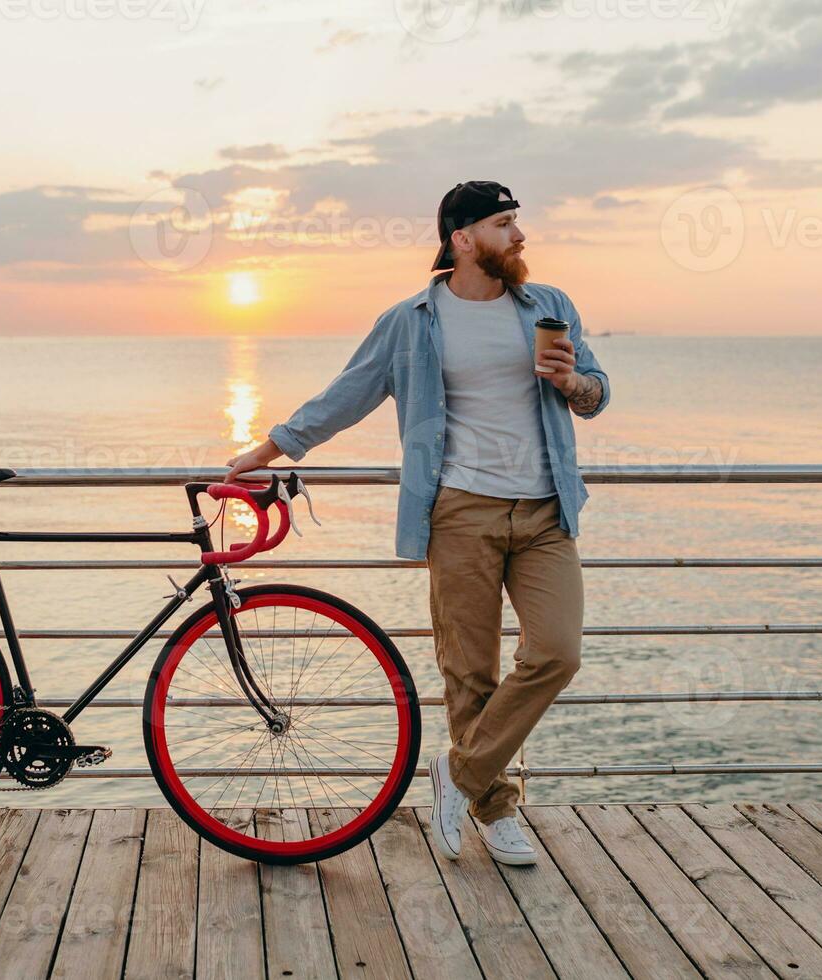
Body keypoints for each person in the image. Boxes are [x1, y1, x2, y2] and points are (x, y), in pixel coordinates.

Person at [223, 180, 611, 865]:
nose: (519, 236)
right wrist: (262, 452)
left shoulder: (550, 306)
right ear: (462, 239)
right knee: (470, 672)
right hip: (461, 510)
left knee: (557, 651)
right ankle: (496, 812)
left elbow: (597, 394)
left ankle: (458, 777)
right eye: (503, 224)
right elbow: (346, 396)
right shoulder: (413, 320)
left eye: (517, 223)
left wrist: (570, 383)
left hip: (547, 509)